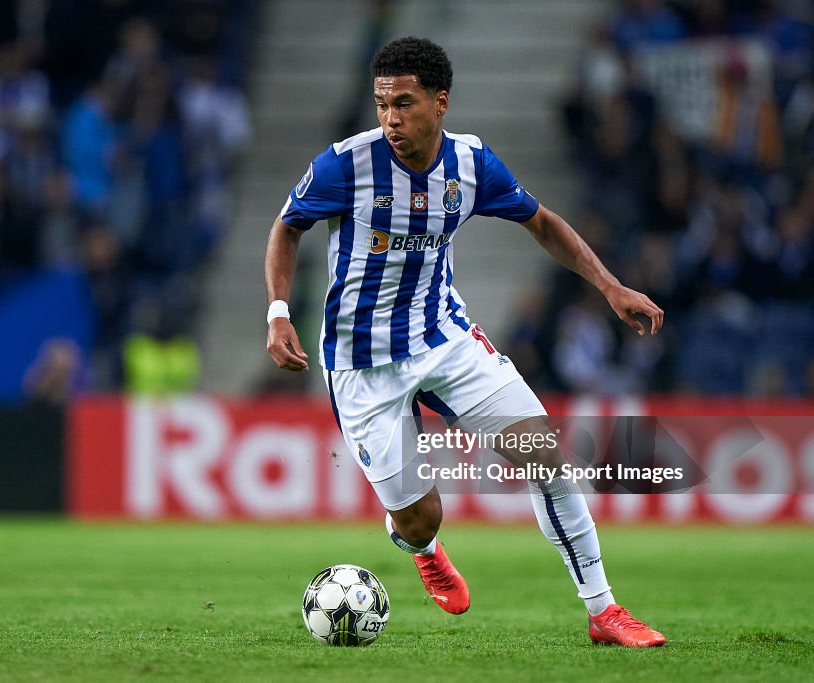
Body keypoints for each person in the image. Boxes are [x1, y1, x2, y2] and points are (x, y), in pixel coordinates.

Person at [264, 37, 666, 647]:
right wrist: (278, 313)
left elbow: (544, 223)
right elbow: (287, 228)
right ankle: (422, 546)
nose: (391, 118)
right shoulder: (345, 165)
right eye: (381, 105)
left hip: (445, 338)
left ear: (440, 102)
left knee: (546, 456)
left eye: (404, 103)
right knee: (422, 517)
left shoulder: (472, 166)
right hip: (361, 361)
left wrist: (610, 287)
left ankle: (604, 611)